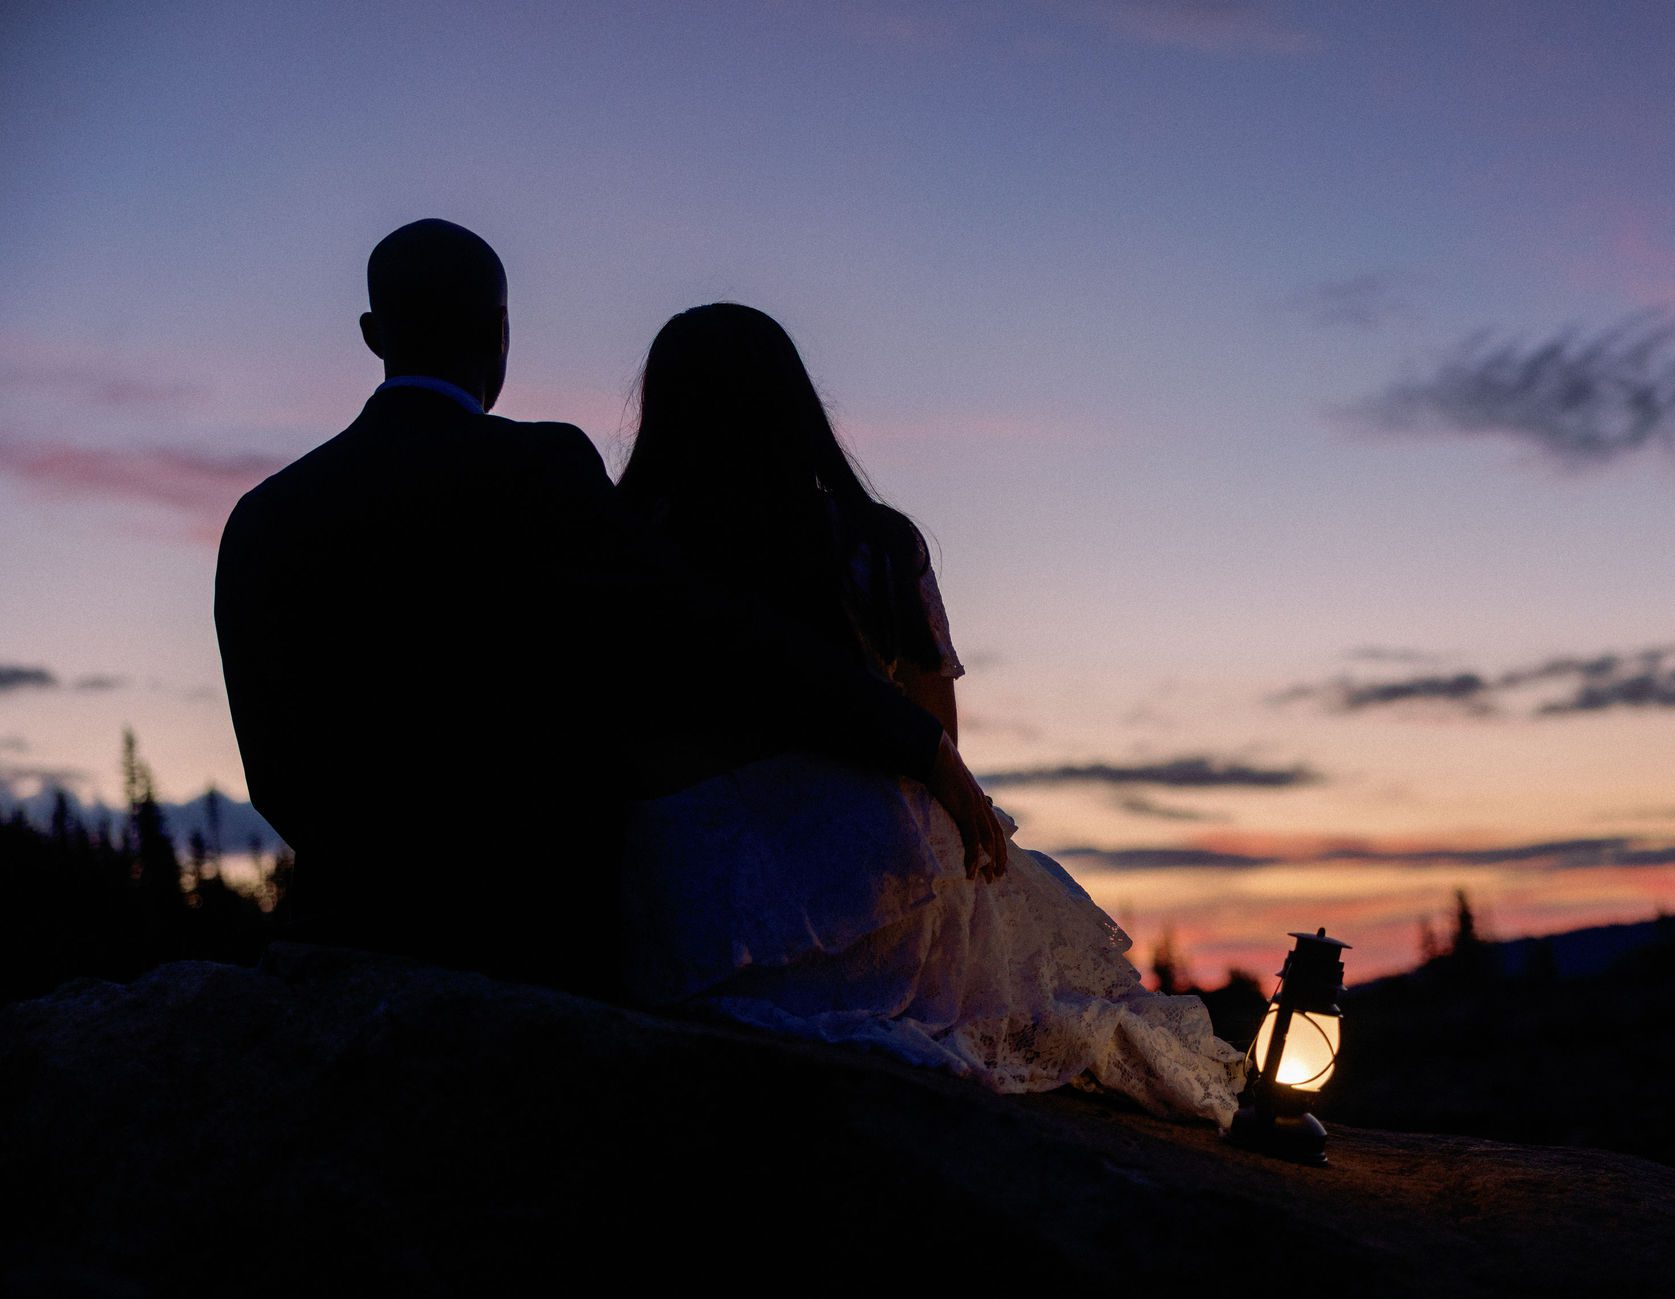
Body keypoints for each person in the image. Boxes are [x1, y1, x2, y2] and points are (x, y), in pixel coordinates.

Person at [214, 222, 1004, 998]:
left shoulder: (263, 518)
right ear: (500, 331)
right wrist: (917, 740)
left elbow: (273, 771)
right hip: (538, 938)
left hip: (342, 931)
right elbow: (714, 631)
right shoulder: (539, 471)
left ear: (371, 333)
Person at [613, 304, 1244, 1127]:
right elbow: (938, 739)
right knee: (1010, 937)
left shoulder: (631, 545)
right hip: (871, 878)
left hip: (689, 897)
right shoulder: (871, 546)